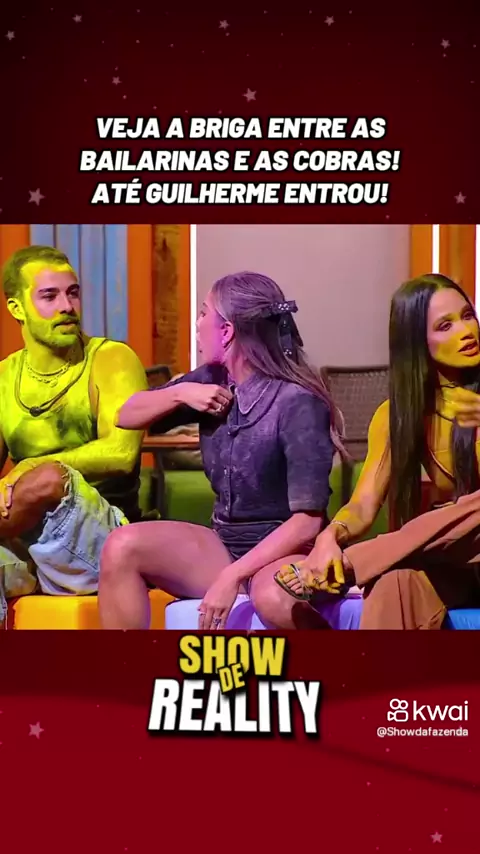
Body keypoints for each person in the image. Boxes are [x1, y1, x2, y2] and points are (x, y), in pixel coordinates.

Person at [98, 271, 353, 630]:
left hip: (286, 548)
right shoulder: (211, 380)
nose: (197, 324)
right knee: (120, 545)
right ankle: (128, 666)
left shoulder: (297, 401)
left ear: (227, 331)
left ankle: (344, 663)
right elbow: (125, 416)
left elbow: (307, 523)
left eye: (203, 313)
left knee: (272, 596)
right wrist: (180, 393)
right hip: (223, 542)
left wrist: (232, 576)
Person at [277, 273, 480, 629]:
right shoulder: (397, 416)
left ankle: (354, 563)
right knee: (394, 581)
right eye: (445, 325)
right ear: (416, 341)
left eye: (468, 316)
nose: (466, 331)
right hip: (460, 560)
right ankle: (378, 668)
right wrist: (330, 536)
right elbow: (363, 504)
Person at [0, 245, 147, 627]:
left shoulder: (111, 359)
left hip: (103, 540)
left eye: (73, 293)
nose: (67, 306)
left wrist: (34, 464)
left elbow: (121, 454)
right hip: (29, 542)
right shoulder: (4, 378)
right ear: (17, 308)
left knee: (49, 479)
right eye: (49, 296)